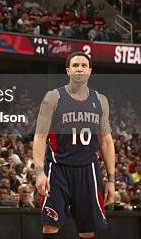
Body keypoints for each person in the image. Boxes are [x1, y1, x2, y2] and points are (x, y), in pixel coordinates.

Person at [33, 52, 115, 239]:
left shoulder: (100, 100)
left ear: (90, 71)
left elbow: (107, 141)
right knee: (50, 225)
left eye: (84, 65)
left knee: (87, 230)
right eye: (76, 65)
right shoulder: (53, 98)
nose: (79, 68)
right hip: (58, 167)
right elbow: (39, 137)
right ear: (68, 70)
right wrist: (39, 173)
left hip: (88, 169)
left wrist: (111, 179)